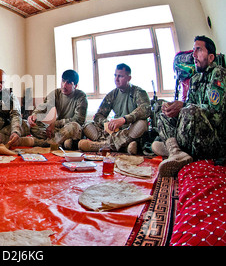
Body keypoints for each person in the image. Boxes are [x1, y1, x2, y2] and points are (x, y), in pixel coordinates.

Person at [152, 36, 226, 176]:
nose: (193, 55)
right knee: (162, 113)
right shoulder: (195, 79)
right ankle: (176, 152)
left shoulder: (219, 73)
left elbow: (217, 116)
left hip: (212, 140)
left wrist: (184, 106)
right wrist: (173, 109)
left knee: (190, 110)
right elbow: (187, 108)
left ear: (211, 57)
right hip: (192, 135)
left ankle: (172, 148)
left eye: (198, 50)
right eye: (193, 50)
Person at [79, 63, 150, 154]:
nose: (116, 79)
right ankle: (124, 147)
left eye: (120, 76)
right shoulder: (112, 94)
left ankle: (102, 146)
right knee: (87, 125)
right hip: (114, 131)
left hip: (129, 130)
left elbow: (145, 109)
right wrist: (108, 123)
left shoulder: (138, 92)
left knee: (142, 124)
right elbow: (98, 115)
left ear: (129, 78)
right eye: (115, 75)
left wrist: (124, 120)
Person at [28, 69, 87, 149]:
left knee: (74, 126)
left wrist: (54, 124)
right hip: (59, 131)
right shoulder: (56, 93)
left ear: (75, 86)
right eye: (63, 81)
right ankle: (62, 143)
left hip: (72, 130)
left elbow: (78, 120)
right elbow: (44, 107)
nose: (64, 85)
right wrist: (34, 116)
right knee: (33, 125)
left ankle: (45, 143)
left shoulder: (81, 97)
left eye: (69, 83)